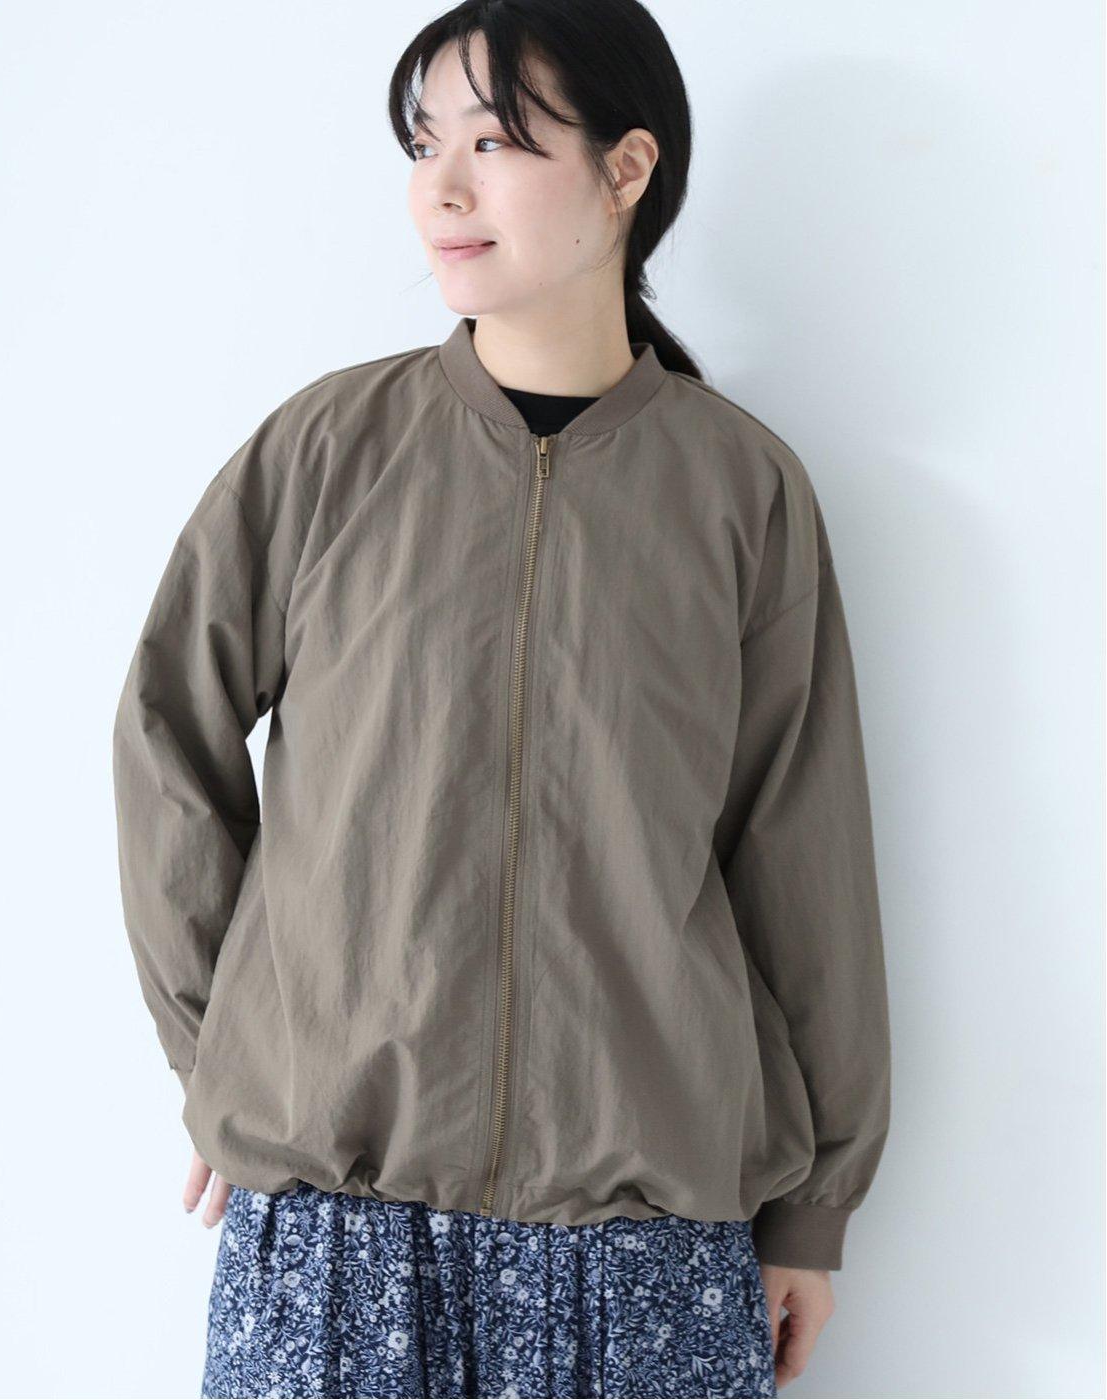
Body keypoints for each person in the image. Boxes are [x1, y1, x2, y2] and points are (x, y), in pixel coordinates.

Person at [110, 2, 892, 1396]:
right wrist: (227, 1060)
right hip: (339, 1242)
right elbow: (167, 737)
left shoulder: (740, 492)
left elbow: (804, 851)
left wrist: (812, 1214)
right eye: (425, 145)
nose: (444, 188)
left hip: (644, 1258)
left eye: (495, 141)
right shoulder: (327, 452)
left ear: (626, 168)